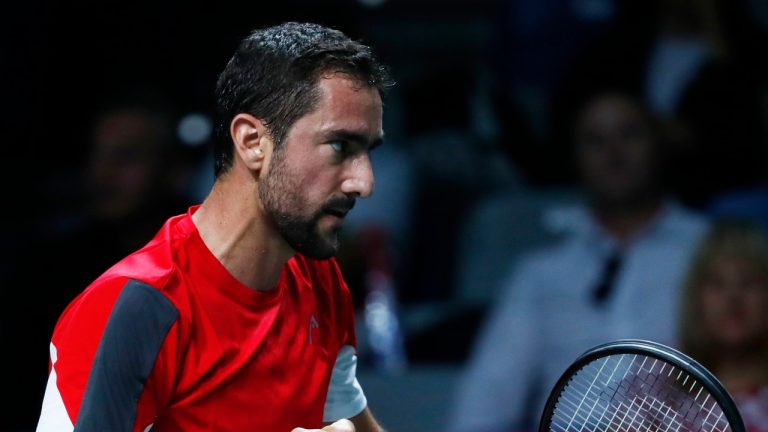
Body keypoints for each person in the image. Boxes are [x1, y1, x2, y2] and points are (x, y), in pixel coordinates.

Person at [35, 22, 393, 432]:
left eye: (367, 152)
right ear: (252, 141)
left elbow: (349, 422)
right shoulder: (133, 309)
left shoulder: (320, 280)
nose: (364, 183)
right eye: (340, 147)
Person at [447, 89, 708, 431]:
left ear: (658, 143)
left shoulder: (710, 251)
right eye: (595, 141)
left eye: (629, 134)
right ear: (575, 156)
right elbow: (486, 399)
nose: (614, 153)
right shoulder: (540, 273)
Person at [679, 220, 768, 432]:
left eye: (748, 282)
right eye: (717, 283)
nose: (733, 297)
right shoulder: (656, 378)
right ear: (696, 298)